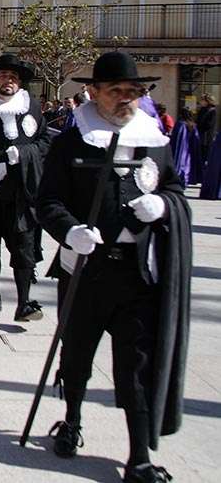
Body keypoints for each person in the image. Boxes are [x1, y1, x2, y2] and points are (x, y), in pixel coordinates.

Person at [37, 52, 191, 483]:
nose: (126, 99)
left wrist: (161, 204)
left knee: (136, 363)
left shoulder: (153, 138)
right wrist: (70, 231)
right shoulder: (72, 140)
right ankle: (71, 420)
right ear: (94, 93)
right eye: (117, 91)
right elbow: (47, 202)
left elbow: (175, 188)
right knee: (78, 353)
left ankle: (139, 456)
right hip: (86, 268)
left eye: (134, 92)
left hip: (138, 272)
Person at [0, 52, 51, 321]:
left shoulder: (33, 108)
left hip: (21, 191)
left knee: (23, 248)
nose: (9, 80)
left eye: (14, 77)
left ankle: (24, 302)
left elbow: (44, 143)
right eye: (4, 75)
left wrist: (24, 154)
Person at [169, 107, 201, 189]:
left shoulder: (180, 124)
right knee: (187, 166)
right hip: (189, 152)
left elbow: (176, 140)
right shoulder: (192, 125)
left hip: (182, 151)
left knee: (180, 165)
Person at [196, 94, 217, 165]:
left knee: (205, 154)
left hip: (206, 137)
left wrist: (199, 125)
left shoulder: (212, 111)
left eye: (202, 100)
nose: (201, 102)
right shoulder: (202, 110)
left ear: (207, 101)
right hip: (200, 135)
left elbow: (209, 125)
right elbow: (197, 121)